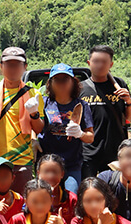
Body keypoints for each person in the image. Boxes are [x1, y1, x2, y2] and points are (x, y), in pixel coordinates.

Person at [0, 47, 44, 195]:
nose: (13, 68)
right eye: (9, 64)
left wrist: (34, 113)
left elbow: (39, 129)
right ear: (1, 66)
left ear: (25, 67)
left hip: (21, 160)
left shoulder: (33, 94)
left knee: (20, 205)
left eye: (17, 64)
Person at [80, 45, 131, 178]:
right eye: (96, 61)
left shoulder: (119, 84)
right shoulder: (80, 87)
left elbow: (130, 118)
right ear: (89, 63)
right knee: (89, 189)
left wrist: (128, 101)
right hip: (88, 151)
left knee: (113, 192)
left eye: (104, 62)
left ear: (111, 64)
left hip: (115, 151)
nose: (100, 65)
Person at [38, 63, 94, 193]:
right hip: (48, 164)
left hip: (72, 164)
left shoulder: (81, 105)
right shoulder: (45, 103)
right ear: (50, 83)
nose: (61, 83)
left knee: (72, 198)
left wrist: (80, 134)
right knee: (46, 198)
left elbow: (90, 137)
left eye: (65, 79)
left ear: (73, 82)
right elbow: (34, 127)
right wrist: (34, 138)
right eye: (57, 80)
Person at [35, 154, 77, 223]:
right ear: (38, 173)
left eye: (55, 172)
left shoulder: (72, 199)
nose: (50, 176)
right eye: (46, 172)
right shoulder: (31, 198)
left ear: (62, 174)